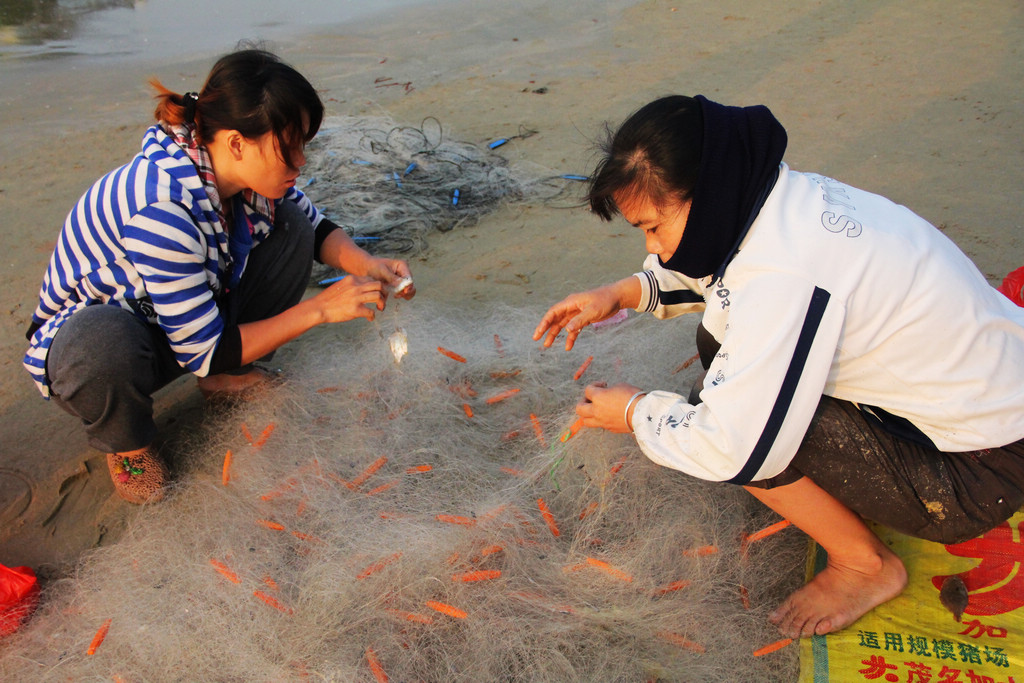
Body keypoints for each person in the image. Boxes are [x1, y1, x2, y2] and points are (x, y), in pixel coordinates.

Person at [533, 95, 1024, 638]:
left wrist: (632, 411)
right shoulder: (782, 198)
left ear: (713, 196)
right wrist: (622, 292)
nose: (653, 248)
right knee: (720, 353)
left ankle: (865, 566)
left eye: (652, 226)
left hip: (982, 470)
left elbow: (731, 444)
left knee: (731, 418)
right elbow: (722, 268)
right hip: (999, 385)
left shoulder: (787, 275)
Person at [24, 48, 415, 505]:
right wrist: (320, 310)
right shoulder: (163, 208)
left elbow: (317, 227)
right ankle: (127, 445)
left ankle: (225, 379)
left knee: (291, 226)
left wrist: (366, 263)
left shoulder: (240, 176)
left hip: (183, 318)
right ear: (235, 143)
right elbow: (203, 350)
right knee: (102, 346)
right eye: (289, 149)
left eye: (303, 146)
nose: (301, 162)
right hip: (101, 346)